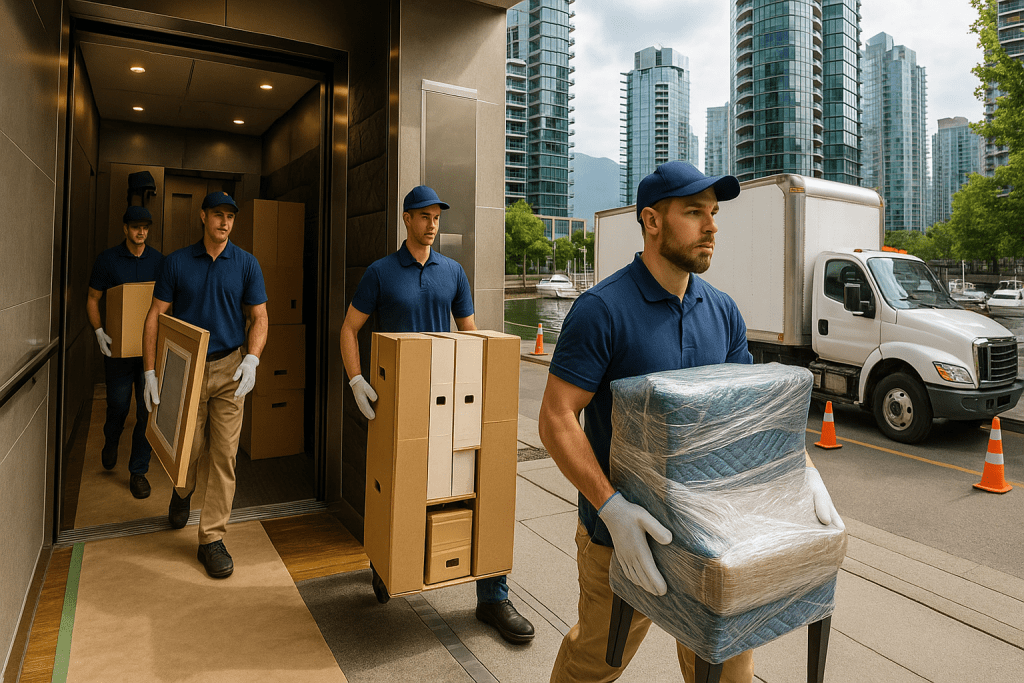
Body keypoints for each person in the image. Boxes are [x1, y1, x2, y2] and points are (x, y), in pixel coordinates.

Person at [537, 162, 842, 682]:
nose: (712, 226)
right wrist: (612, 510)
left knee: (726, 671)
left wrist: (801, 475)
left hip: (712, 539)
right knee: (597, 661)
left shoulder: (721, 312)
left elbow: (751, 416)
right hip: (623, 535)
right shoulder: (602, 310)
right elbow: (556, 417)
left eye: (714, 213)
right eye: (695, 212)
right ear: (652, 221)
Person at [340, 185, 536, 644]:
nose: (433, 225)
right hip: (395, 405)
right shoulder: (380, 273)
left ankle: (493, 596)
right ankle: (386, 563)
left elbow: (469, 336)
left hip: (449, 403)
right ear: (406, 220)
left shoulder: (453, 273)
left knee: (479, 486)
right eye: (424, 217)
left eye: (436, 218)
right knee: (395, 486)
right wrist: (356, 380)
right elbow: (349, 329)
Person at [142, 191, 268, 579]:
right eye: (217, 214)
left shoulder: (246, 264)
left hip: (231, 369)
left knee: (225, 456)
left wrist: (253, 358)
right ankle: (182, 492)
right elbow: (154, 317)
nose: (224, 222)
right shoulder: (176, 263)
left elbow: (260, 316)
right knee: (189, 446)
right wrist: (150, 372)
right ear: (202, 217)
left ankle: (211, 538)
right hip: (188, 369)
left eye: (230, 216)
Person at [87, 205, 163, 500]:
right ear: (125, 228)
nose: (141, 231)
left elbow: (166, 304)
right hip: (117, 351)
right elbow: (93, 298)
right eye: (135, 226)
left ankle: (138, 471)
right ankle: (111, 438)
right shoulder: (107, 260)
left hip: (148, 353)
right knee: (118, 406)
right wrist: (98, 331)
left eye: (145, 226)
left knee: (146, 411)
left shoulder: (159, 261)